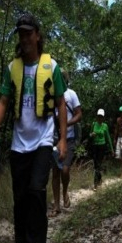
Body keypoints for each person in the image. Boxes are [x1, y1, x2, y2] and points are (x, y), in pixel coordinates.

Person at [0, 13, 67, 243]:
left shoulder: (51, 66)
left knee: (36, 190)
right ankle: (21, 242)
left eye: (28, 33)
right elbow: (3, 101)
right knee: (20, 196)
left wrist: (63, 139)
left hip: (43, 141)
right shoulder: (12, 68)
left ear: (37, 36)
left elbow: (61, 104)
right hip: (19, 144)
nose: (25, 38)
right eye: (21, 33)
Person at [50, 71, 82, 216]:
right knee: (55, 172)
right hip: (53, 139)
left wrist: (66, 124)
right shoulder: (49, 96)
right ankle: (56, 206)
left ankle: (65, 191)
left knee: (65, 170)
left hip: (69, 138)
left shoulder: (71, 94)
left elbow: (79, 114)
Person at [90, 109, 113, 190]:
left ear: (103, 117)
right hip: (94, 146)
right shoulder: (93, 124)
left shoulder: (105, 126)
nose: (100, 118)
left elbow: (108, 138)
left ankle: (95, 184)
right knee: (96, 164)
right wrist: (91, 135)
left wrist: (111, 149)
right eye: (98, 116)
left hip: (102, 146)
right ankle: (99, 179)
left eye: (101, 116)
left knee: (98, 164)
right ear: (97, 116)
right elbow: (90, 134)